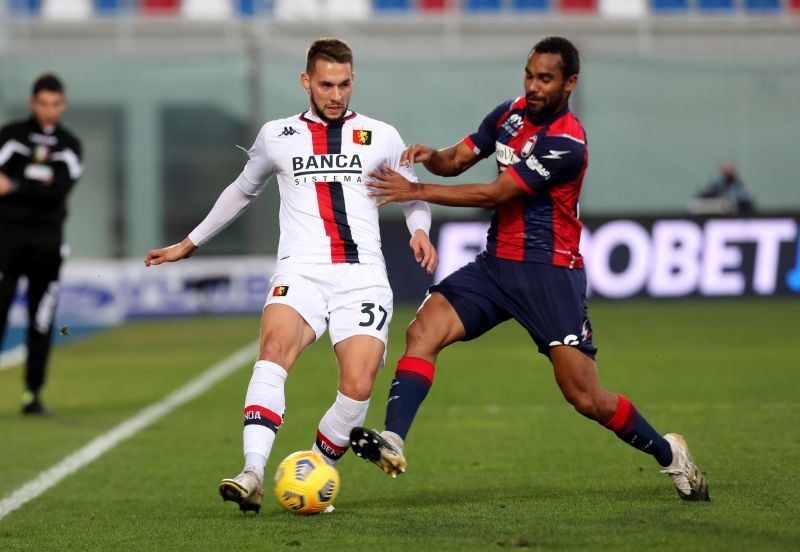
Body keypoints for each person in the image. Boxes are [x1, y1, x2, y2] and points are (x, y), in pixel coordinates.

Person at [350, 36, 709, 501]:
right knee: (423, 331)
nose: (534, 86)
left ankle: (670, 455)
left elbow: (497, 194)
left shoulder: (566, 143)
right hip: (497, 267)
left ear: (569, 82)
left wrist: (415, 192)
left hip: (549, 274)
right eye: (529, 74)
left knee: (586, 398)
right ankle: (393, 439)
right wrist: (430, 157)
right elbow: (458, 160)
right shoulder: (510, 113)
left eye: (546, 78)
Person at [145, 38, 438, 514]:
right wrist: (189, 243)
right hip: (300, 270)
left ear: (353, 81)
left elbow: (411, 195)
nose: (336, 94)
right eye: (325, 84)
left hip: (362, 275)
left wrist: (419, 230)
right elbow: (241, 191)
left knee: (359, 383)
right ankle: (254, 472)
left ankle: (315, 469)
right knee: (274, 350)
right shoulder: (276, 135)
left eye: (344, 84)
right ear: (306, 81)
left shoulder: (381, 135)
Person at [0, 74, 83, 416]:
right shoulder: (11, 136)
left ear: (62, 104)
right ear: (33, 102)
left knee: (42, 320)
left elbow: (59, 190)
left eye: (55, 104)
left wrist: (15, 185)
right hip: (6, 241)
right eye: (43, 103)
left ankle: (32, 395)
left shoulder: (69, 144)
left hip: (47, 245)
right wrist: (42, 186)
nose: (49, 110)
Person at [689, 161, 755, 215]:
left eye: (730, 169)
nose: (728, 172)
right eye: (725, 170)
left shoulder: (739, 186)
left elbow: (748, 202)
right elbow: (698, 200)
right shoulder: (712, 185)